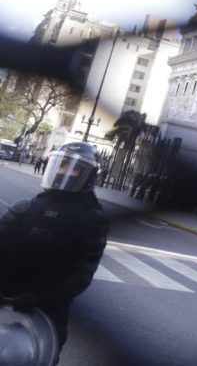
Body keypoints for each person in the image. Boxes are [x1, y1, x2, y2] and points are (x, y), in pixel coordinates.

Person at [0, 141, 109, 359]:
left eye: (74, 168)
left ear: (89, 176)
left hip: (45, 310)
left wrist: (41, 298)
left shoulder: (92, 220)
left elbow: (82, 273)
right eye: (61, 164)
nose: (64, 172)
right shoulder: (26, 207)